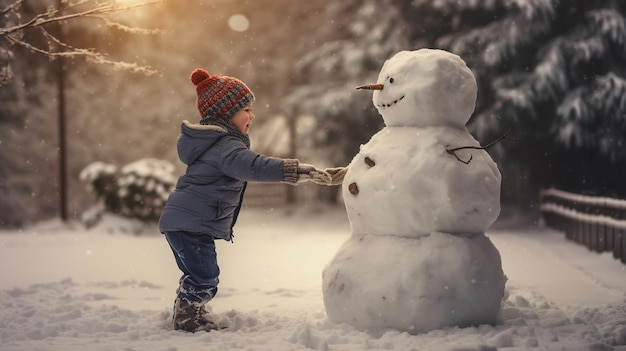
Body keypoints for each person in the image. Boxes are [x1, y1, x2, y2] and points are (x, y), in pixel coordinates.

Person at [158, 68, 331, 332]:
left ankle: (192, 311)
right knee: (205, 276)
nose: (252, 115)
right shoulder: (225, 147)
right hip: (189, 224)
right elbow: (255, 166)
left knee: (199, 274)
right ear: (226, 113)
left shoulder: (216, 144)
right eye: (246, 109)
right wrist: (296, 170)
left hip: (183, 222)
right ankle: (186, 318)